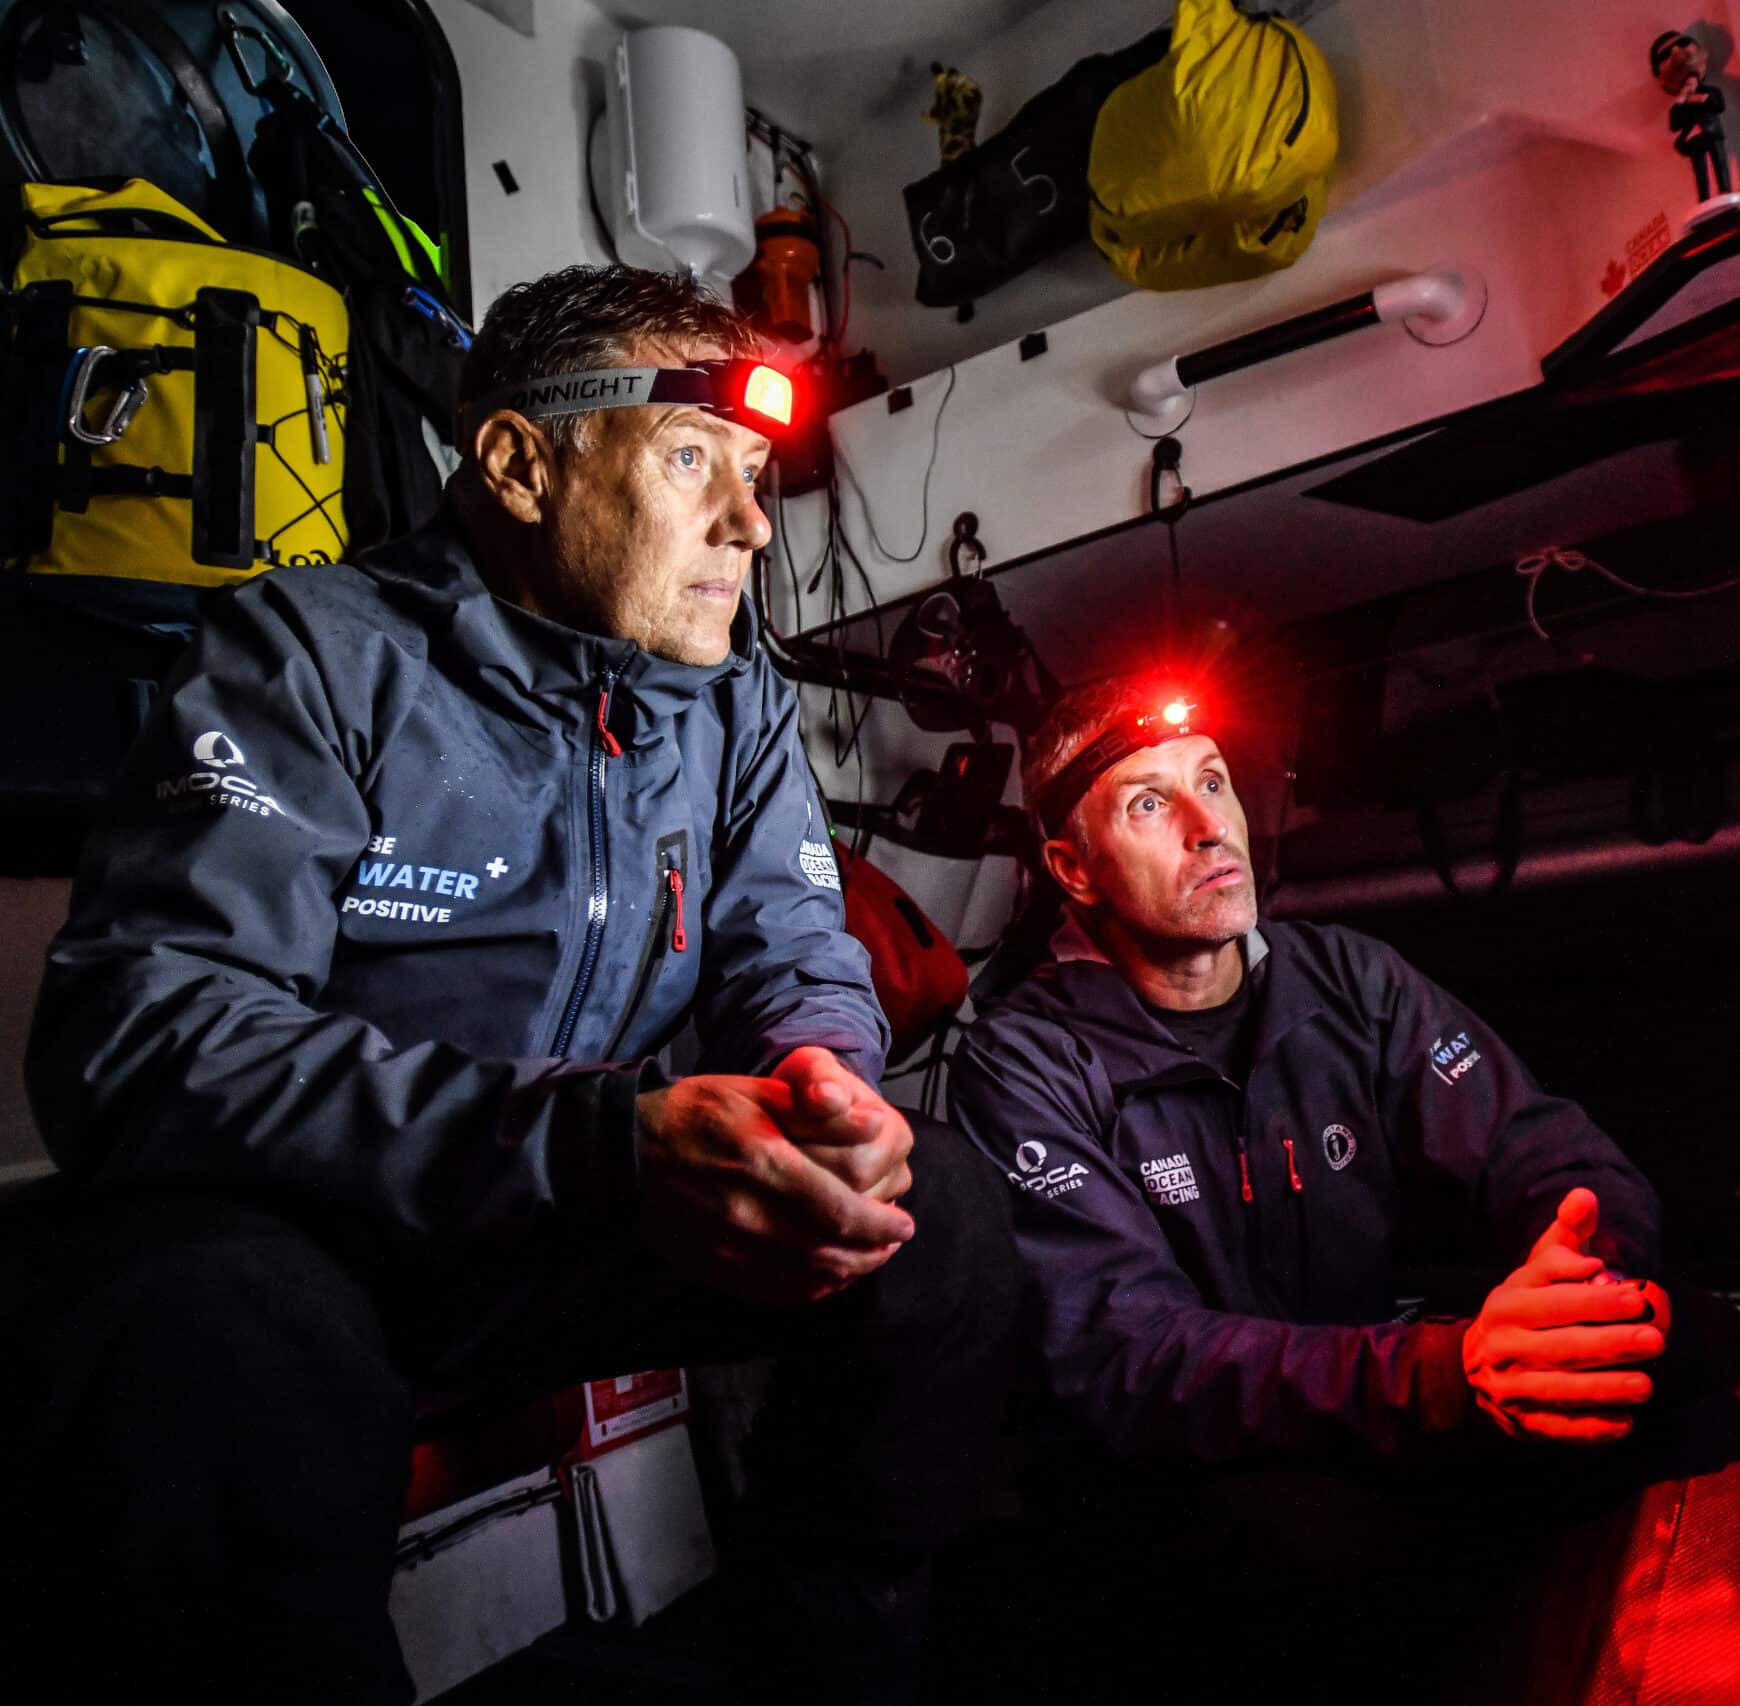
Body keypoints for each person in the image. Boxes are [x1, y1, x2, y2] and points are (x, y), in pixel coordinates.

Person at [1, 264, 1018, 1703]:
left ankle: (828, 1659)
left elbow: (792, 947)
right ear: (522, 465)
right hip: (338, 1231)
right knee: (193, 1323)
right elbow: (149, 1027)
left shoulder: (729, 700)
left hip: (583, 1213)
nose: (749, 523)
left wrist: (824, 1087)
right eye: (694, 460)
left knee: (940, 1218)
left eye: (755, 474)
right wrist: (589, 1140)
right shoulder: (312, 652)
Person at [946, 677, 1740, 1700]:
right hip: (1188, 1465)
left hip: (1385, 1404)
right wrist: (1443, 1371)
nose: (1208, 826)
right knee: (1315, 1555)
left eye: (1213, 781)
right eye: (1150, 803)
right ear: (1074, 868)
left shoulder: (1346, 980)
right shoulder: (1024, 1061)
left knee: (1698, 1347)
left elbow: (1549, 1152)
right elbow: (1131, 1352)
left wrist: (1577, 1295)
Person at [1652, 27, 1734, 201]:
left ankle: (1725, 190)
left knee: (1720, 162)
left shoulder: (1709, 91)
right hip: (1693, 138)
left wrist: (1702, 99)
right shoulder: (1682, 101)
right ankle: (1704, 198)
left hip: (1711, 132)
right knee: (1700, 170)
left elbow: (1719, 104)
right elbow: (1674, 124)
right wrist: (1681, 99)